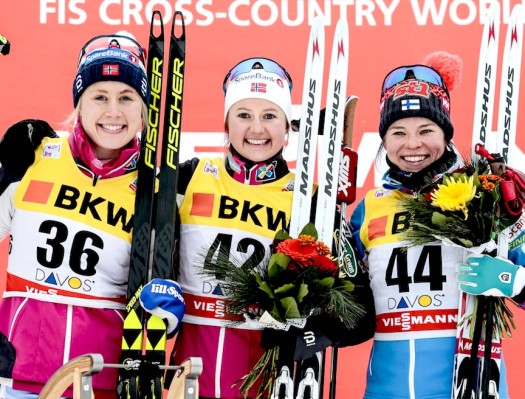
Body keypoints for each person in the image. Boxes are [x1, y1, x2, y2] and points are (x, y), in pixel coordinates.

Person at [138, 57, 375, 399]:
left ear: (288, 125)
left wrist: (313, 332)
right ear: (226, 122)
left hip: (269, 383)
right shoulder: (186, 178)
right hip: (187, 380)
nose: (257, 129)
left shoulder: (309, 201)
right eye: (244, 115)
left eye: (269, 116)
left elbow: (361, 309)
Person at [0, 33, 184, 399]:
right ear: (79, 104)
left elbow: (165, 295)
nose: (113, 112)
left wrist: (168, 312)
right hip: (16, 374)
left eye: (127, 98)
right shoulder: (34, 157)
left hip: (99, 379)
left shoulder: (158, 194)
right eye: (100, 97)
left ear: (144, 108)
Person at [349, 50, 525, 399]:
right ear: (383, 140)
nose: (412, 145)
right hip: (387, 387)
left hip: (469, 380)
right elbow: (352, 308)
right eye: (398, 132)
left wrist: (511, 280)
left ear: (445, 134)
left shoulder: (483, 196)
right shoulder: (368, 209)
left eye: (426, 130)